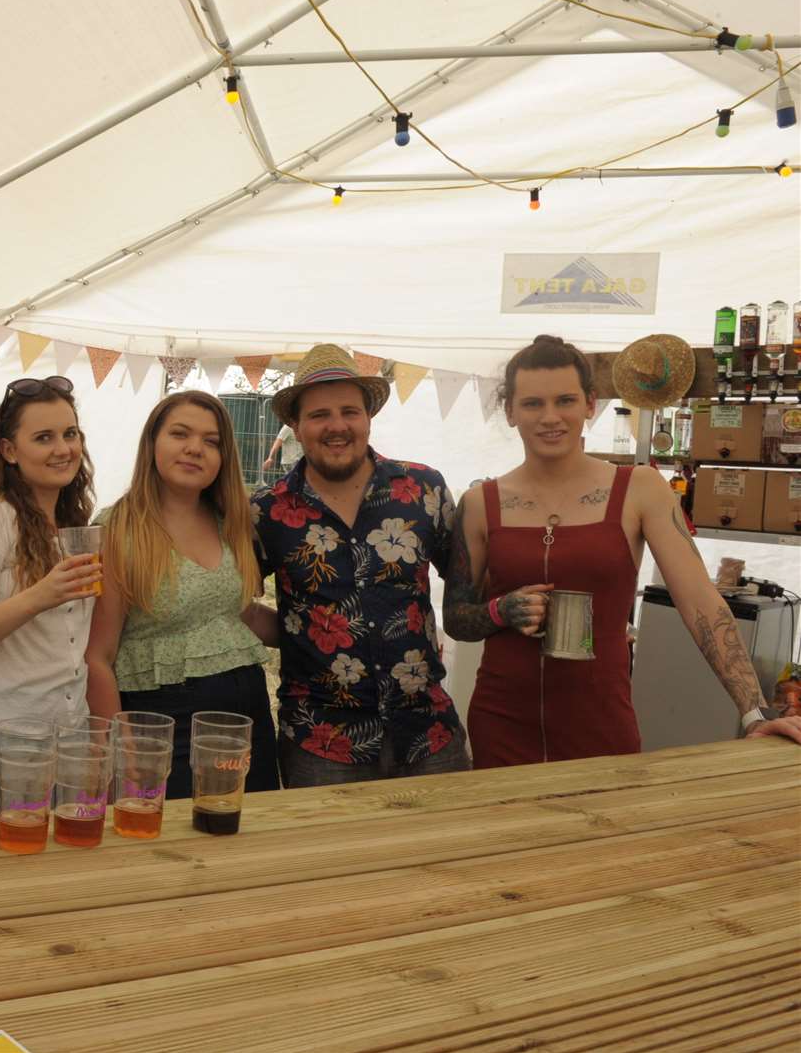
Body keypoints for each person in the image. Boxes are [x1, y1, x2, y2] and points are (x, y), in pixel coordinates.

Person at [444, 335, 801, 765]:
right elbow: (457, 618)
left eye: (565, 400)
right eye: (533, 404)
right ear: (510, 411)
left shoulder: (640, 488)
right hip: (502, 718)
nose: (550, 417)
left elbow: (701, 603)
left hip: (598, 718)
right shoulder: (481, 503)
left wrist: (754, 711)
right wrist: (501, 611)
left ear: (589, 405)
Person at [251, 344, 469, 787]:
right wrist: (300, 631)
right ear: (295, 425)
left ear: (368, 417)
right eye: (319, 415)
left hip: (428, 737)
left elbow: (469, 586)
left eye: (350, 411)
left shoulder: (423, 489)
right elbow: (230, 600)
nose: (337, 426)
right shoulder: (268, 511)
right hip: (321, 744)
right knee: (326, 860)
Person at [85, 390, 280, 799]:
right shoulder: (119, 528)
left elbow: (238, 616)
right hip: (163, 724)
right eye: (180, 434)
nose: (195, 449)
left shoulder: (231, 522)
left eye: (212, 442)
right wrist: (122, 746)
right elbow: (97, 655)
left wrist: (319, 632)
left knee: (245, 838)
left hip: (248, 718)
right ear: (152, 441)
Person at [0, 376, 102, 807]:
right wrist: (38, 597)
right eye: (43, 437)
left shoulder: (70, 519)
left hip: (63, 732)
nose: (63, 449)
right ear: (9, 450)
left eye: (70, 434)